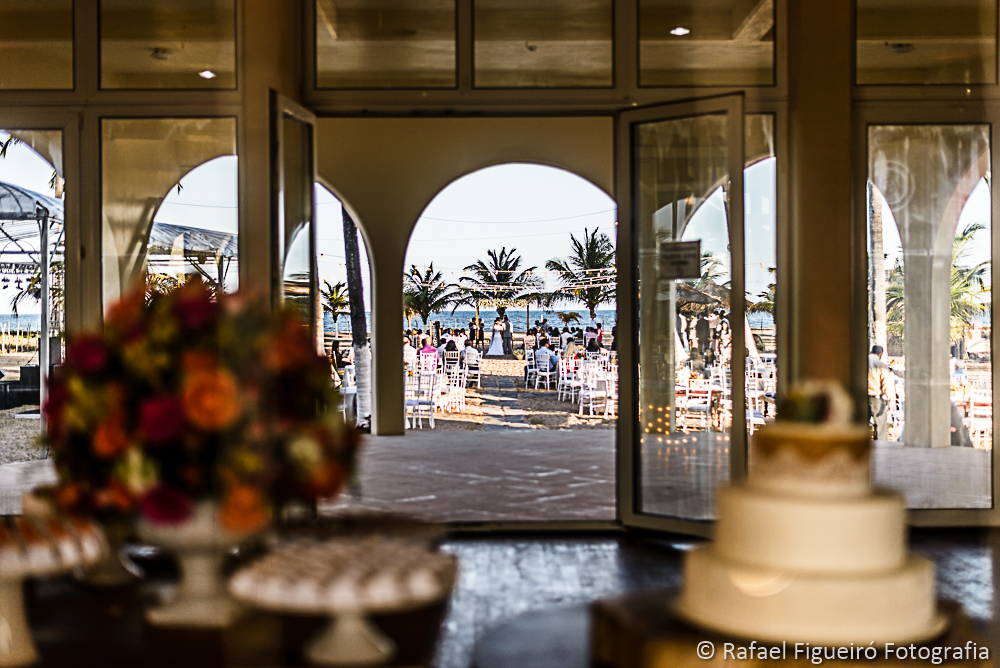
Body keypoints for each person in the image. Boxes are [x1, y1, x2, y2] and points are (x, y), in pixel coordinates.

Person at [868, 344, 895, 441]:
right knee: (880, 427)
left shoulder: (860, 363)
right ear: (880, 354)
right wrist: (890, 401)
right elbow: (887, 385)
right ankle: (879, 449)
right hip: (876, 399)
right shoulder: (881, 366)